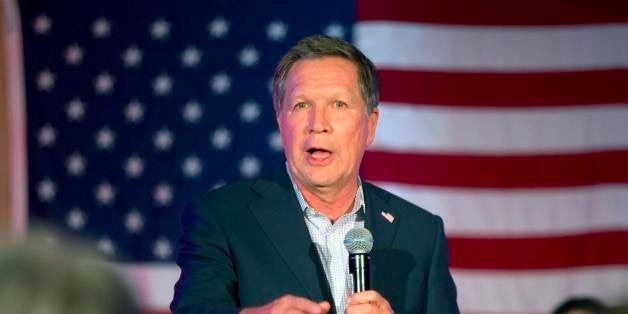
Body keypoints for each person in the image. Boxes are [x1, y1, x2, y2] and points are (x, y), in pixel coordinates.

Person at [171, 35, 459, 314]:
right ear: (280, 122)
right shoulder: (220, 217)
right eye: (301, 105)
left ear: (370, 125)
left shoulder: (420, 233)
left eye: (338, 105)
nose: (318, 124)